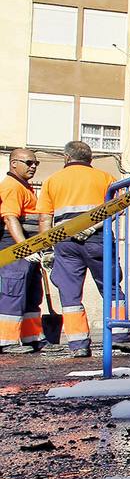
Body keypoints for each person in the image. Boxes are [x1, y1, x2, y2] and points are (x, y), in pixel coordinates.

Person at [37, 141, 130, 357]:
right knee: (110, 286)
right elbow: (119, 206)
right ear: (90, 159)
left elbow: (45, 218)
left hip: (64, 241)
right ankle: (120, 337)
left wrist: (46, 249)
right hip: (98, 238)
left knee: (70, 293)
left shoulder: (52, 181)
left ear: (66, 158)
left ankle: (78, 345)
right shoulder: (105, 178)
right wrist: (94, 225)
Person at [0, 148, 45, 353]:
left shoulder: (23, 187)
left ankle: (31, 337)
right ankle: (6, 341)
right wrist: (24, 248)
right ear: (14, 163)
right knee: (13, 293)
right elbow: (10, 218)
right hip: (15, 248)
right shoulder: (11, 187)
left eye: (35, 163)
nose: (33, 166)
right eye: (29, 163)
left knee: (31, 294)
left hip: (27, 249)